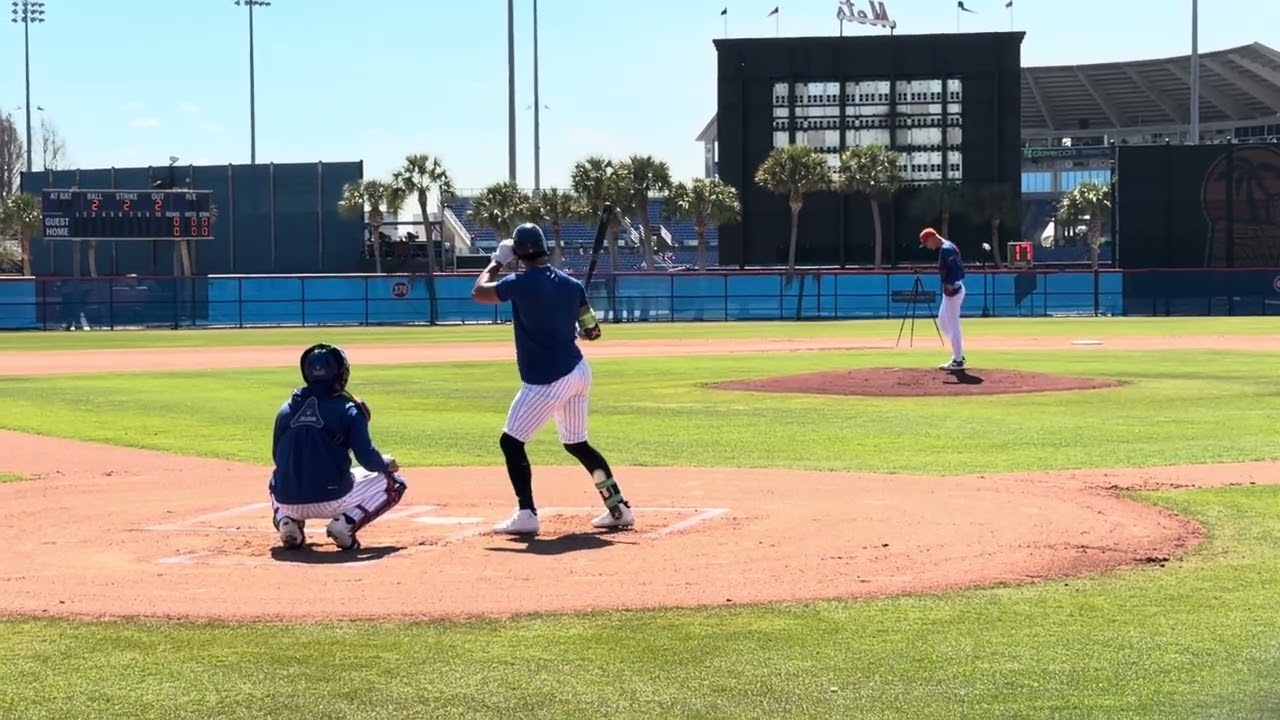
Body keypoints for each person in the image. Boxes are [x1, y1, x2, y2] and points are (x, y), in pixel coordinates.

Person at [470, 222, 635, 536]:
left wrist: (496, 261)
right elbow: (593, 331)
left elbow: (479, 292)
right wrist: (576, 330)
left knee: (511, 442)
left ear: (519, 253)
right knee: (577, 443)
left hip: (547, 380)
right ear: (545, 248)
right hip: (577, 371)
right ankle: (619, 507)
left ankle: (526, 512)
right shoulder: (572, 285)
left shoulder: (517, 281)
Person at [268, 343, 407, 550]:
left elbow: (277, 458)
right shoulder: (349, 409)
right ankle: (346, 523)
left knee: (275, 476)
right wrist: (386, 464)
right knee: (395, 483)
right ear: (341, 371)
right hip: (334, 498)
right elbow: (368, 459)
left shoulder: (285, 409)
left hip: (288, 501)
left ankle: (286, 521)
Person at [919, 227, 967, 370]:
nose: (927, 246)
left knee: (953, 325)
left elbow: (956, 269)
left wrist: (951, 283)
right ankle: (958, 353)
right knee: (943, 321)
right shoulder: (947, 247)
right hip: (950, 289)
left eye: (926, 243)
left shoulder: (946, 248)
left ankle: (958, 360)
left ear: (933, 237)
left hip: (954, 289)